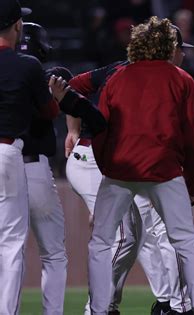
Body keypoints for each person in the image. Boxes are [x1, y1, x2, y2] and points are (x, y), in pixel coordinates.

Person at [66, 24, 194, 315]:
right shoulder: (130, 72)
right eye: (180, 50)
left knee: (141, 231)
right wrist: (73, 129)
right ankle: (97, 307)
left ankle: (163, 303)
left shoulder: (156, 76)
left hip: (118, 162)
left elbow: (71, 87)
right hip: (95, 161)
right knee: (128, 235)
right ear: (169, 49)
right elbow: (69, 86)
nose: (183, 56)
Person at [0, 1, 58, 313]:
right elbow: (50, 110)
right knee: (10, 244)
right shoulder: (27, 65)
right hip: (8, 153)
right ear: (17, 26)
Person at [18, 22, 69, 315]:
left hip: (5, 167)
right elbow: (52, 110)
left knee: (10, 253)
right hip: (34, 167)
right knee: (54, 254)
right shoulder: (40, 73)